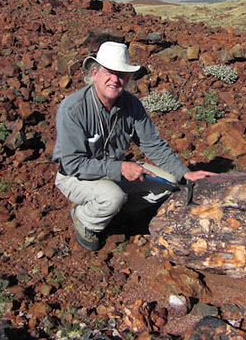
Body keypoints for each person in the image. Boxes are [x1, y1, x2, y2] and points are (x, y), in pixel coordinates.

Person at [53, 41, 214, 251]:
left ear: (128, 78)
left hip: (113, 169)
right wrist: (120, 168)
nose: (115, 79)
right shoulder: (73, 108)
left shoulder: (131, 104)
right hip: (76, 176)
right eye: (109, 72)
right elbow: (74, 163)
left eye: (121, 74)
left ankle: (116, 212)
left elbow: (153, 144)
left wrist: (185, 174)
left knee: (170, 184)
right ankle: (84, 219)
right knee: (112, 197)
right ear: (95, 73)